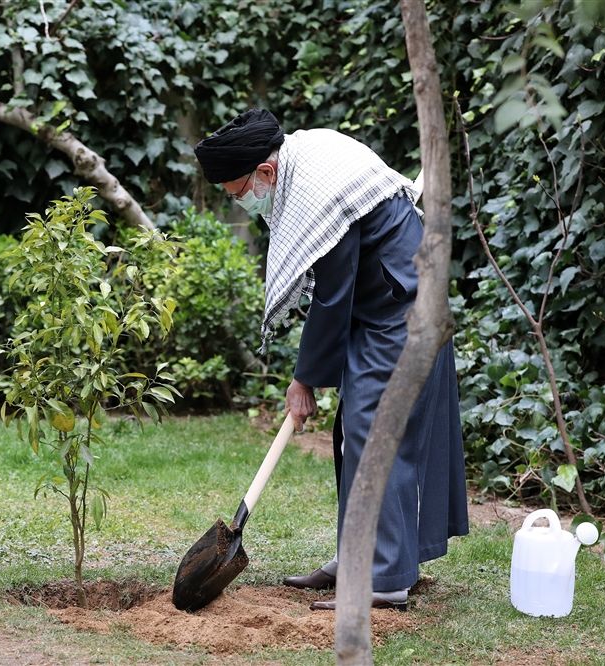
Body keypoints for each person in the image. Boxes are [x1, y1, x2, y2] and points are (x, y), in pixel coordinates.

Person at [193, 108, 468, 611]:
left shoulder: (320, 188)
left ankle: (381, 579)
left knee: (375, 429)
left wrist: (305, 380)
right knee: (352, 435)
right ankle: (358, 555)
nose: (243, 202)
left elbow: (332, 296)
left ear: (265, 173)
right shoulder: (301, 158)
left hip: (403, 305)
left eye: (238, 193)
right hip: (382, 301)